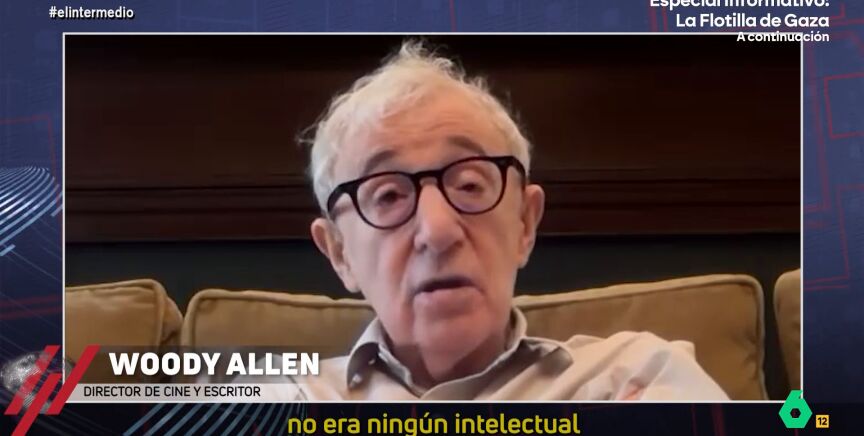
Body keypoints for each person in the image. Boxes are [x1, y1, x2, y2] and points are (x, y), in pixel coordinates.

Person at [272, 40, 728, 400]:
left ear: (525, 224)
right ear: (340, 253)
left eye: (470, 185)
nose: (438, 231)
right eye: (388, 195)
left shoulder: (637, 375)